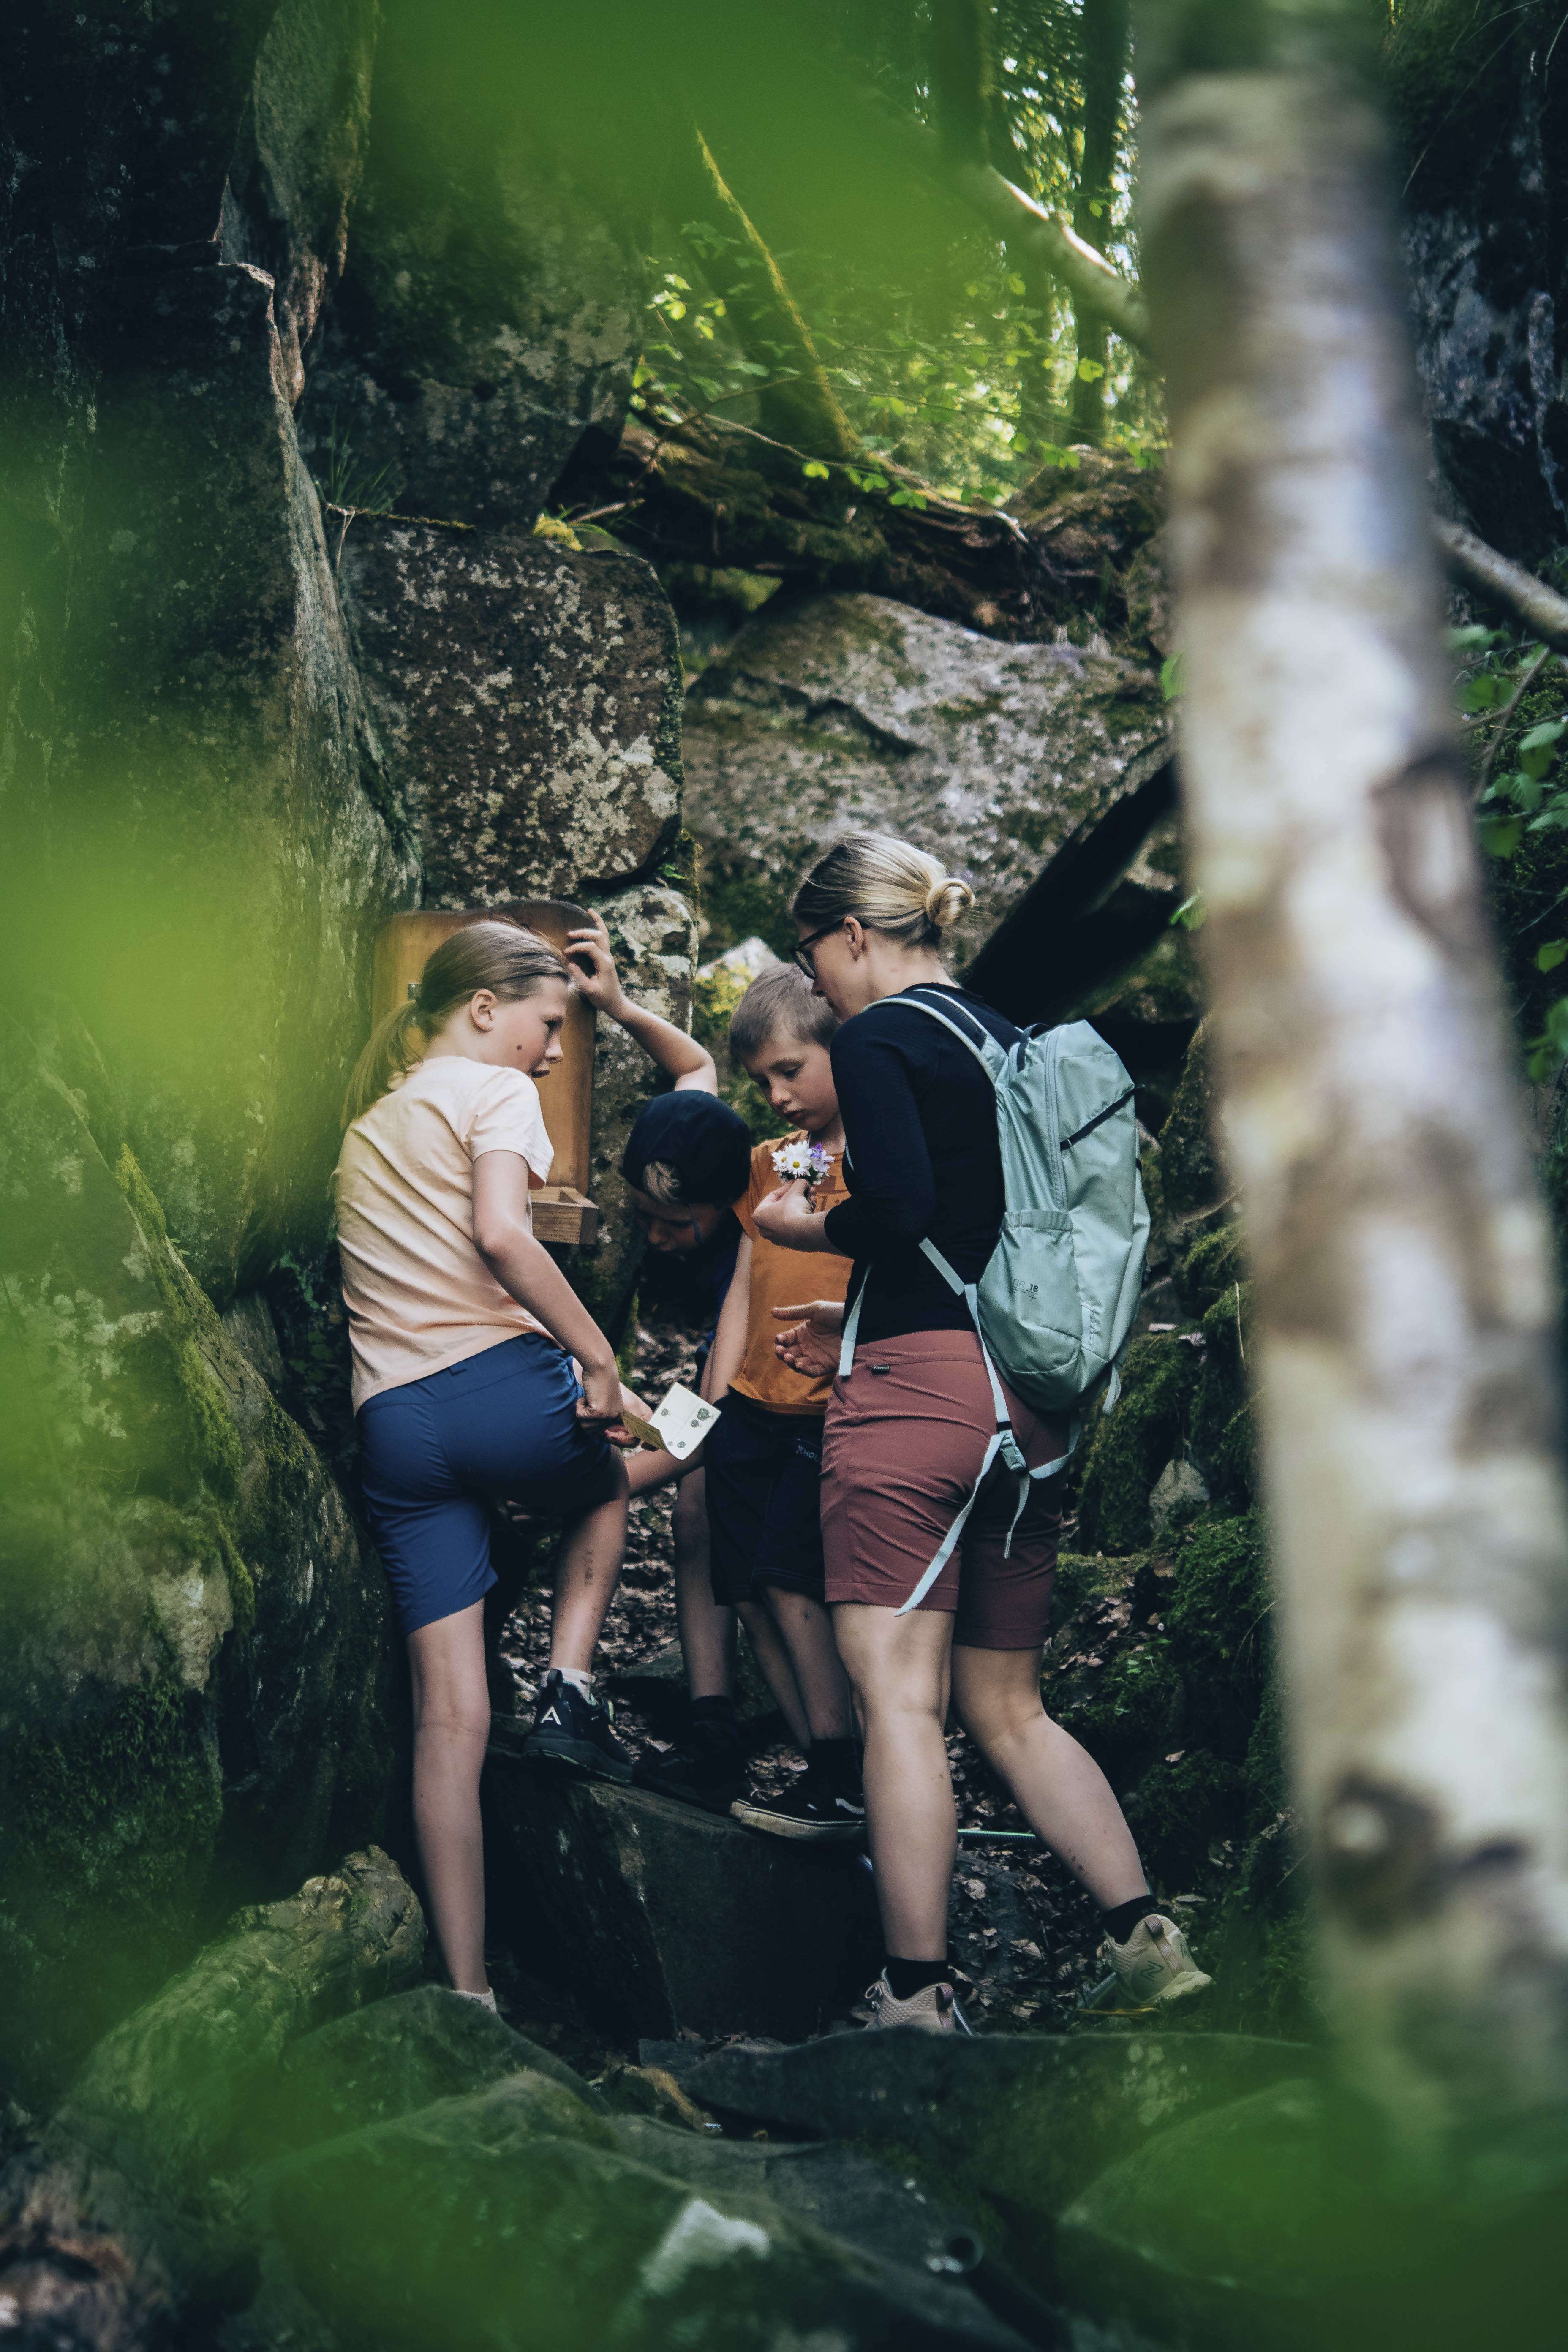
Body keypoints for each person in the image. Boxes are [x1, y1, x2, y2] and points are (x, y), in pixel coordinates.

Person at [756, 832, 1211, 2031]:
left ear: (852, 935)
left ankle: (915, 1994)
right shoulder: (1010, 1039)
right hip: (1033, 1406)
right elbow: (979, 1222)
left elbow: (900, 1207)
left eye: (820, 956)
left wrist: (803, 1233)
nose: (826, 984)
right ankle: (1146, 1938)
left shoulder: (881, 1036)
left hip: (920, 1402)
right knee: (1010, 1706)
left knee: (901, 1705)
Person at [335, 920, 634, 2009]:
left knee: (447, 1718)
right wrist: (598, 1359)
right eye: (547, 1023)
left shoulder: (369, 1126)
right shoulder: (492, 1093)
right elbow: (506, 1238)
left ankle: (467, 1993)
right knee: (626, 1469)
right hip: (500, 1395)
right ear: (482, 1010)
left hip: (398, 1429)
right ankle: (568, 1688)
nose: (552, 1051)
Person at [700, 963, 862, 1841]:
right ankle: (824, 1774)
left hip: (829, 1414)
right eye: (761, 1080)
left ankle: (843, 1767)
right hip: (751, 1409)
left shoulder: (878, 1156)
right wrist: (715, 1402)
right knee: (752, 1593)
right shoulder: (782, 1158)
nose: (775, 1095)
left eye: (790, 1072)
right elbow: (745, 1283)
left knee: (789, 1580)